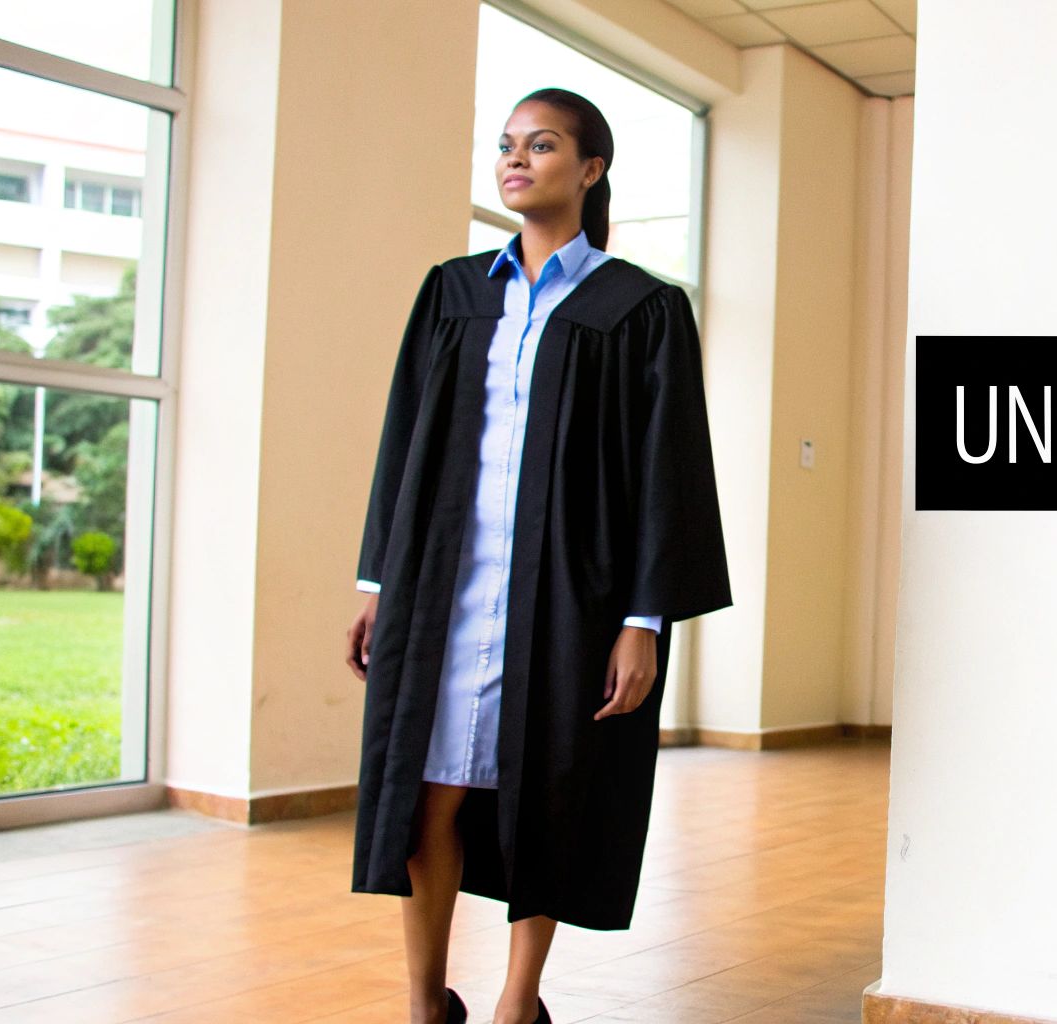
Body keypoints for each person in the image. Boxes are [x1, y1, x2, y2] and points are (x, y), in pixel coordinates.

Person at [342, 87, 733, 1024]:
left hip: (571, 593)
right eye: (508, 146)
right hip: (444, 587)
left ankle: (520, 1003)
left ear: (590, 168)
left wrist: (644, 619)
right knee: (423, 792)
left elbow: (666, 472)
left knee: (548, 792)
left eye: (543, 145)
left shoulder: (641, 308)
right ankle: (423, 1001)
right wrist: (376, 581)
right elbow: (405, 440)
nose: (517, 160)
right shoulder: (453, 292)